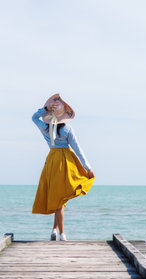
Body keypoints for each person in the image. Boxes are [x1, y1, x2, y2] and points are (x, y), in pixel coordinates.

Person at [32, 93, 95, 241]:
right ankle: (62, 234)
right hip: (66, 162)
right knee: (60, 198)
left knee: (58, 196)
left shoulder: (45, 128)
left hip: (52, 160)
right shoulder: (68, 130)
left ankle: (54, 229)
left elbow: (34, 117)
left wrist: (45, 109)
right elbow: (78, 149)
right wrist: (88, 167)